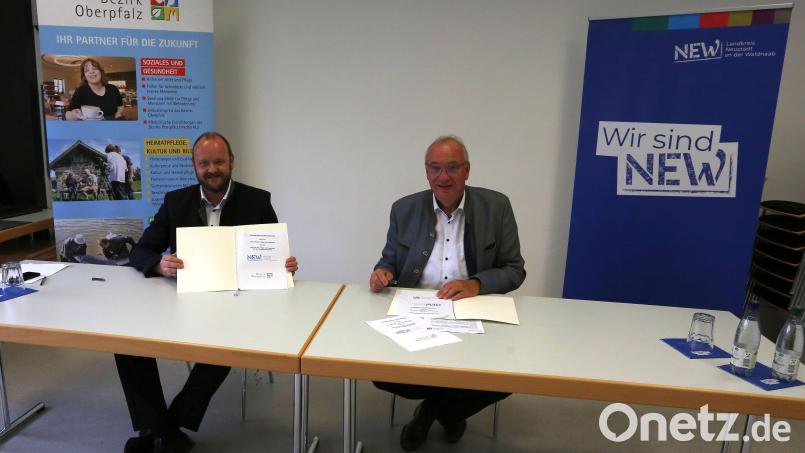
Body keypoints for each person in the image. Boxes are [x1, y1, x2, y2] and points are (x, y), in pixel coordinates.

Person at [118, 131, 299, 453]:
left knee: (225, 344)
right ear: (194, 166)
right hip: (185, 300)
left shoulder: (257, 201)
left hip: (238, 305)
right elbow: (141, 250)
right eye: (204, 163)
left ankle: (164, 428)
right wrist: (160, 265)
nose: (212, 169)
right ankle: (160, 427)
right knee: (127, 342)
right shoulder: (176, 201)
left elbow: (271, 253)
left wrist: (283, 263)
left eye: (218, 161)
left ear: (231, 162)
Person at [369, 135, 525, 451]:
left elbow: (514, 269)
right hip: (417, 312)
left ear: (467, 170)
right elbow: (389, 259)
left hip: (474, 311)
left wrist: (477, 284)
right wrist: (381, 272)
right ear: (426, 172)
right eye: (435, 168)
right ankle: (449, 411)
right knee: (379, 371)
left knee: (506, 379)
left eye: (452, 168)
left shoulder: (497, 206)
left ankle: (429, 412)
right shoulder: (404, 209)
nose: (444, 177)